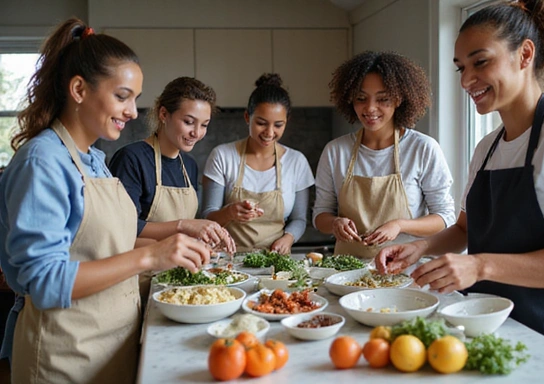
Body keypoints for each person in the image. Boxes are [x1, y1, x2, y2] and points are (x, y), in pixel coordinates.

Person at [0, 18, 210, 383]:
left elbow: (110, 241)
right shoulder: (43, 162)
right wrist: (150, 255)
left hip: (111, 344)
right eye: (122, 96)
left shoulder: (93, 159)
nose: (132, 112)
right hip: (65, 356)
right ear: (79, 89)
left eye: (135, 99)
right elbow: (45, 281)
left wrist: (176, 245)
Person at [375, 0, 544, 351]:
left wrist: (480, 266)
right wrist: (419, 248)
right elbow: (465, 230)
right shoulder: (487, 148)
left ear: (525, 55)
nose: (467, 80)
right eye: (460, 68)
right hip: (483, 330)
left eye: (480, 62)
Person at [313, 51, 455, 259]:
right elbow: (320, 215)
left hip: (406, 272)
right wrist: (334, 223)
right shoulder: (335, 151)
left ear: (399, 99)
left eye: (383, 99)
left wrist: (399, 225)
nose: (370, 108)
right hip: (348, 273)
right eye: (361, 98)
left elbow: (445, 217)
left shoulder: (423, 148)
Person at [109, 77, 235, 302]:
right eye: (188, 122)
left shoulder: (189, 166)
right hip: (138, 284)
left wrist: (200, 240)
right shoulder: (132, 159)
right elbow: (122, 229)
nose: (196, 132)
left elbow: (183, 232)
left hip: (179, 283)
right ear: (164, 114)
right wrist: (183, 227)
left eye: (204, 124)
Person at [202, 73, 314, 254]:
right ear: (247, 117)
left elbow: (300, 219)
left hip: (275, 264)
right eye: (261, 123)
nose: (269, 132)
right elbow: (207, 217)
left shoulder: (297, 162)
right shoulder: (223, 156)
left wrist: (288, 238)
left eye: (278, 125)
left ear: (287, 122)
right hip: (228, 263)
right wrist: (229, 212)